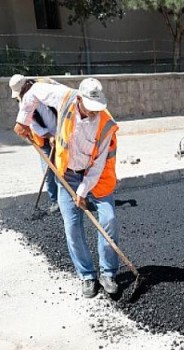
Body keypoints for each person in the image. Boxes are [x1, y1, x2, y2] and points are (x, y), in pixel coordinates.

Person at [13, 78, 121, 298]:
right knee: (72, 226)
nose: (93, 113)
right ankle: (87, 276)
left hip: (96, 176)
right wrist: (23, 120)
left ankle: (108, 273)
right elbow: (32, 92)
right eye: (89, 108)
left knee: (108, 219)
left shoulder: (105, 123)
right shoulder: (63, 96)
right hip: (68, 174)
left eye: (96, 109)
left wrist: (82, 191)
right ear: (79, 99)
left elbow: (99, 164)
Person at [9, 74, 59, 213]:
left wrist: (58, 135)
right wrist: (49, 136)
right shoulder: (24, 102)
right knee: (48, 172)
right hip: (43, 140)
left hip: (61, 135)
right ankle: (55, 201)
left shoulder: (45, 89)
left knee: (65, 169)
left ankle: (69, 200)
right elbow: (33, 125)